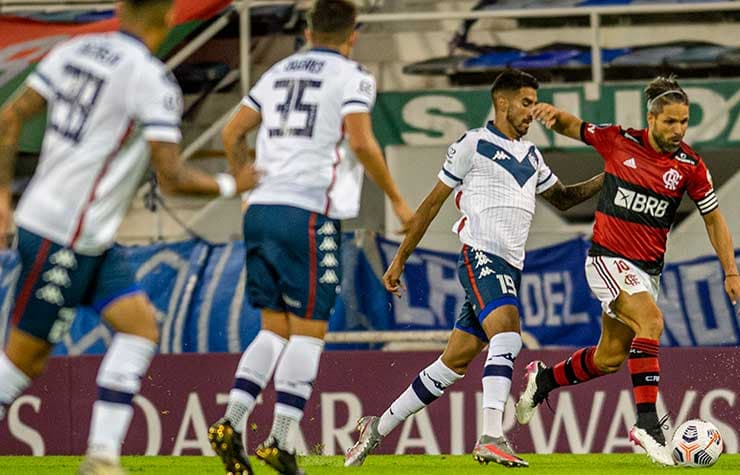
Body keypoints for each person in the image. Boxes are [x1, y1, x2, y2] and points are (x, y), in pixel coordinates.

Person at [0, 1, 259, 473]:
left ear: (122, 8)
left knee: (139, 328)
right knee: (24, 361)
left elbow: (10, 115)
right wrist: (232, 183)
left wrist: (2, 198)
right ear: (168, 18)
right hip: (65, 234)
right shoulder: (149, 78)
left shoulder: (73, 49)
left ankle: (101, 457)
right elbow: (172, 177)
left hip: (85, 234)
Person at [343, 69, 604, 469]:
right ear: (502, 102)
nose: (532, 112)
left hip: (509, 266)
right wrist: (399, 260)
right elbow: (430, 205)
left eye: (534, 103)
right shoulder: (473, 144)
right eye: (526, 102)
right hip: (481, 254)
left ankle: (378, 427)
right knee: (509, 333)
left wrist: (614, 174)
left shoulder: (532, 157)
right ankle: (491, 436)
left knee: (453, 363)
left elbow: (566, 199)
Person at [206, 1, 414, 474]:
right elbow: (360, 141)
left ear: (306, 30)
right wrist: (399, 201)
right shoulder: (352, 75)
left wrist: (244, 178)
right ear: (353, 33)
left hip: (259, 210)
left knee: (273, 326)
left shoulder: (277, 71)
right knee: (310, 329)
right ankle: (279, 440)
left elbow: (231, 132)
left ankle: (231, 421)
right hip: (307, 212)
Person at [515, 75, 740, 466]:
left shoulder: (690, 166)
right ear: (652, 118)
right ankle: (647, 424)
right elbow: (576, 127)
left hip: (647, 272)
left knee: (609, 358)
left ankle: (543, 381)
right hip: (608, 259)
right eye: (670, 122)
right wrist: (553, 116)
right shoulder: (619, 141)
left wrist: (731, 272)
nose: (678, 130)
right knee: (652, 323)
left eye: (684, 122)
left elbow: (713, 218)